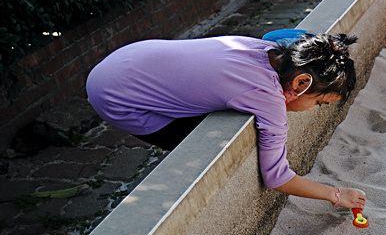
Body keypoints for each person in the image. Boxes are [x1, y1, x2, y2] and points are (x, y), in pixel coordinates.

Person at [86, 33, 367, 211]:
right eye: (319, 103)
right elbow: (276, 176)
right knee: (200, 147)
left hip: (128, 57)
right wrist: (335, 194)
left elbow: (289, 34)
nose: (314, 109)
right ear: (301, 83)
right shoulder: (268, 100)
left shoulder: (267, 47)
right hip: (115, 97)